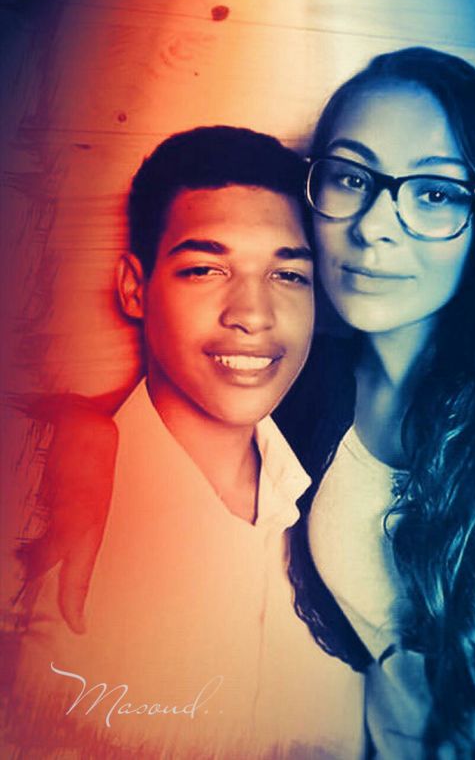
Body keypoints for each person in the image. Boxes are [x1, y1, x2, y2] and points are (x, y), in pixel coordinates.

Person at [14, 49, 475, 758]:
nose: (375, 226)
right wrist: (77, 439)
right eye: (351, 178)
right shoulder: (302, 393)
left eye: (434, 192)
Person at [8, 126, 365, 758]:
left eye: (288, 275)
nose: (252, 314)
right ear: (135, 288)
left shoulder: (341, 516)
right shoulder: (37, 498)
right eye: (205, 269)